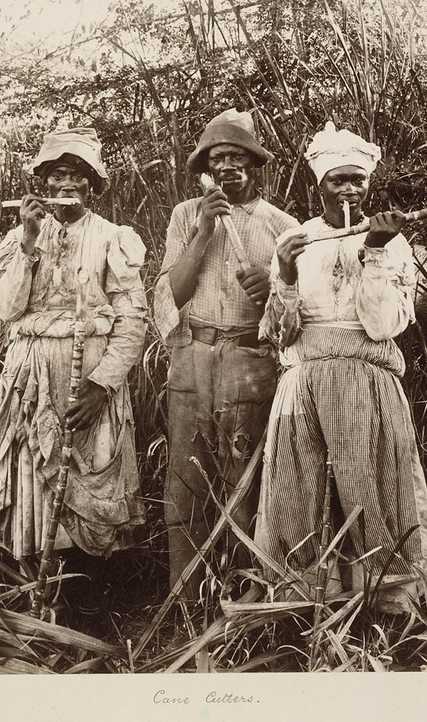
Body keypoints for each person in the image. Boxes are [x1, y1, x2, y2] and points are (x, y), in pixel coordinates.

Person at [255, 121, 427, 613]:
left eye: (357, 180)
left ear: (369, 184)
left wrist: (376, 251)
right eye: (337, 180)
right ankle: (302, 607)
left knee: (373, 487)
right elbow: (279, 334)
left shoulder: (394, 242)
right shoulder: (296, 240)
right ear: (318, 186)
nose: (349, 190)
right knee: (300, 488)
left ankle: (388, 606)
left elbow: (382, 326)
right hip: (305, 383)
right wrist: (288, 273)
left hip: (367, 381)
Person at [0, 128, 147, 603]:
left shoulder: (113, 238)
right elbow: (7, 309)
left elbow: (133, 318)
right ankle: (35, 598)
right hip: (31, 376)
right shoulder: (21, 238)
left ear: (93, 185)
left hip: (90, 375)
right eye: (56, 176)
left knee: (91, 475)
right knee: (32, 476)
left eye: (77, 175)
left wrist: (102, 386)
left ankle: (87, 603)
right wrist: (30, 242)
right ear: (42, 184)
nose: (66, 185)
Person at [153, 109, 299, 600]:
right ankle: (186, 600)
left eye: (238, 157)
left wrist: (270, 291)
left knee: (246, 476)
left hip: (248, 360)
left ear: (254, 166)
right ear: (205, 169)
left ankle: (246, 600)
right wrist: (203, 231)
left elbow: (291, 322)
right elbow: (172, 293)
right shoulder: (184, 216)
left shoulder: (283, 226)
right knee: (186, 479)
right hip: (192, 355)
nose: (228, 167)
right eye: (218, 159)